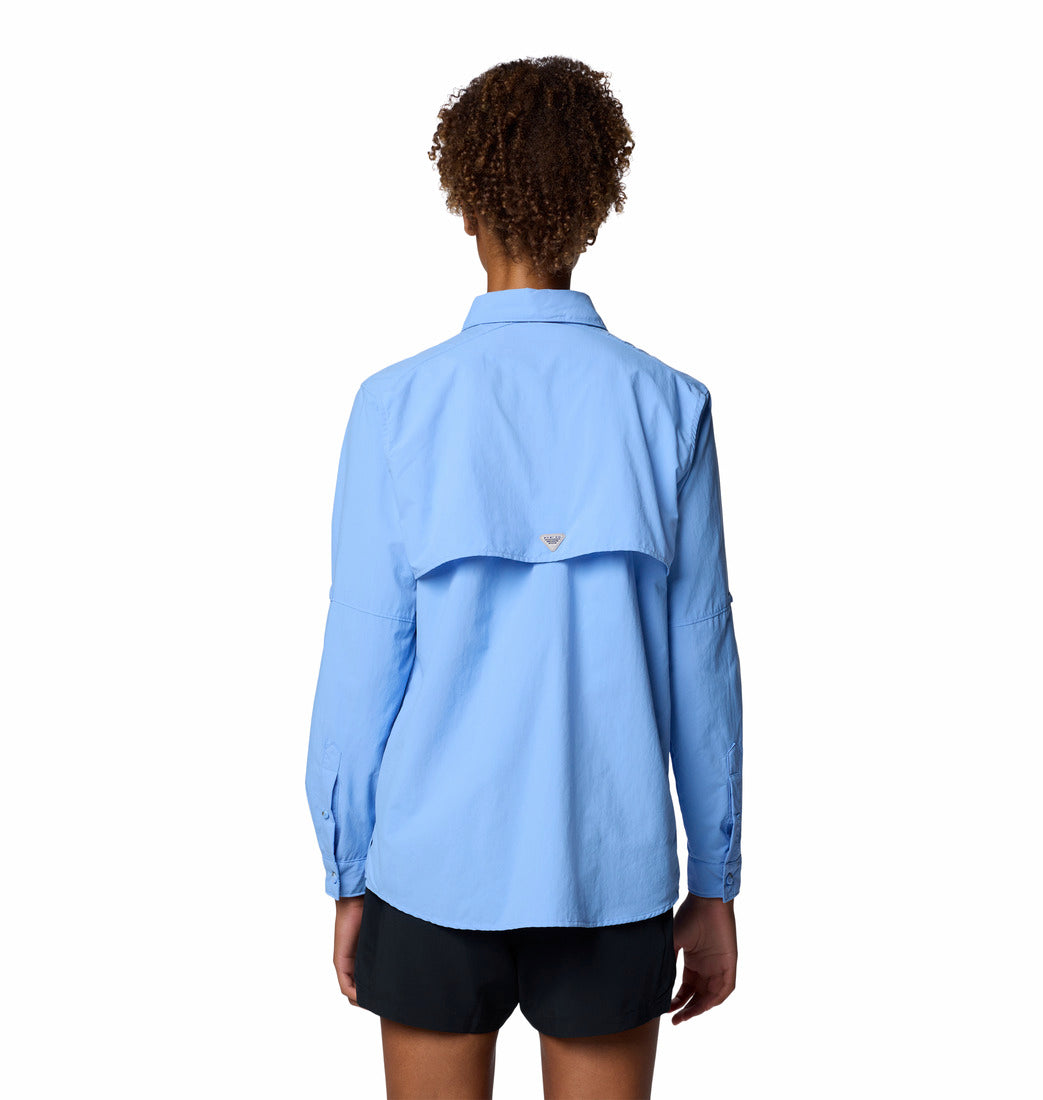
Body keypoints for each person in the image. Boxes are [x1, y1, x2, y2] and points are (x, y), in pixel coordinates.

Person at [304, 55, 743, 1100]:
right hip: (612, 875)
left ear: (464, 206)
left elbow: (361, 657)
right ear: (594, 207)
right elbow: (703, 669)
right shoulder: (669, 407)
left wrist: (347, 868)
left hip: (429, 872)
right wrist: (715, 880)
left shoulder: (395, 407)